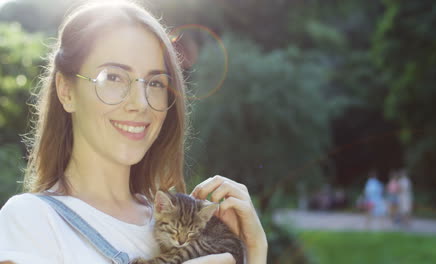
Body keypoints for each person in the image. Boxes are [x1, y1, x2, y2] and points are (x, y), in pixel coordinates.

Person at [0, 2, 267, 263]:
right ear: (66, 91)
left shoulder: (174, 216)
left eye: (155, 82)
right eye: (113, 77)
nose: (140, 103)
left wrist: (254, 252)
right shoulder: (31, 222)